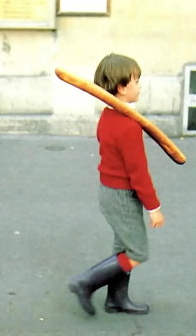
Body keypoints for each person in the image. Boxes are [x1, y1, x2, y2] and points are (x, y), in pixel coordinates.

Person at [68, 53, 165, 316]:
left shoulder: (109, 117)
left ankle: (116, 299)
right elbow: (138, 173)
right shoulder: (128, 126)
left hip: (110, 192)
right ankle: (86, 283)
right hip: (122, 195)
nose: (140, 85)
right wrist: (153, 207)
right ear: (122, 88)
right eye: (136, 81)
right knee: (137, 252)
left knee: (122, 247)